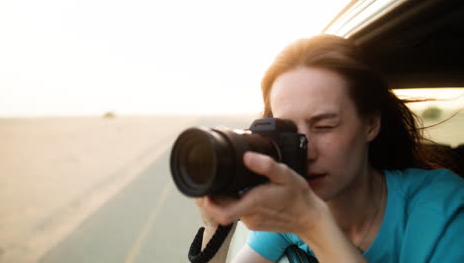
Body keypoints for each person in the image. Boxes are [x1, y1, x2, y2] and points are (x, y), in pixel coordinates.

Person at [192, 34, 464, 262]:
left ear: (370, 124)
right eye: (287, 131)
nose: (303, 150)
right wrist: (216, 226)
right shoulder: (290, 205)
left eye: (323, 126)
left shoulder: (443, 211)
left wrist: (310, 223)